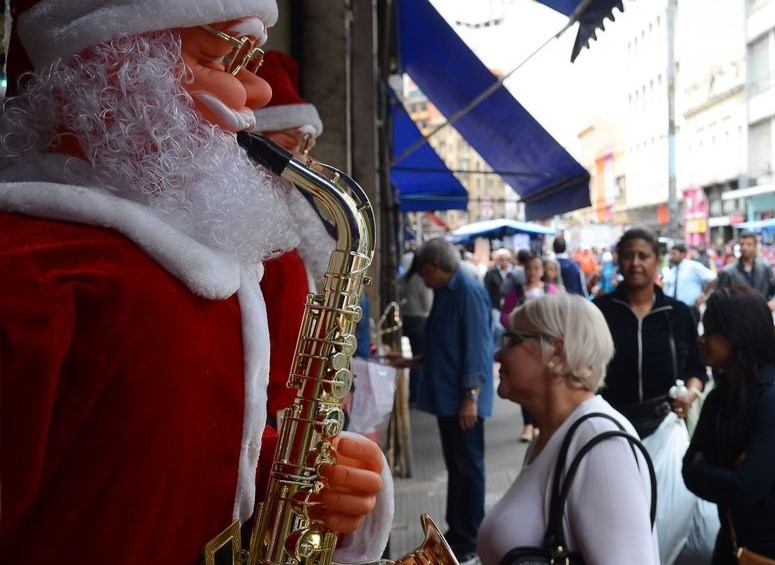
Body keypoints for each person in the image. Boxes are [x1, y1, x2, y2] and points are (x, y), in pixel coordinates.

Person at [0, 2, 389, 563]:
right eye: (224, 58)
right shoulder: (27, 273)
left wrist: (304, 478)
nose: (255, 95)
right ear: (113, 69)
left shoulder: (198, 267)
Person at [477, 293, 659, 564]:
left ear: (557, 352)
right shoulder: (555, 435)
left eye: (513, 340)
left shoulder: (600, 443)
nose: (499, 353)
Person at [683, 286, 775, 564]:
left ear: (738, 335)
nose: (702, 340)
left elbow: (745, 489)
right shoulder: (721, 395)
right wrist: (726, 470)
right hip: (733, 541)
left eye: (711, 331)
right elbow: (687, 471)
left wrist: (706, 466)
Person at [386, 237, 494, 564]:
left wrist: (470, 397)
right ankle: (458, 532)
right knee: (458, 466)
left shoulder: (467, 292)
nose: (423, 280)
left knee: (468, 467)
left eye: (424, 273)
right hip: (450, 397)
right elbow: (444, 344)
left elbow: (477, 348)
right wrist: (412, 362)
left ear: (435, 267)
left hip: (462, 400)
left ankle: (470, 537)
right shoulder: (446, 293)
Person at [592, 228, 707, 438]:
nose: (635, 263)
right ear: (619, 260)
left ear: (657, 262)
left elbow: (696, 369)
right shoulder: (599, 312)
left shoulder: (678, 314)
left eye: (643, 256)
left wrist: (689, 396)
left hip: (666, 426)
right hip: (610, 427)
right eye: (628, 256)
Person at [501, 255, 558, 442]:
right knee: (525, 382)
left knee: (544, 383)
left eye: (536, 268)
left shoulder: (551, 291)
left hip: (546, 347)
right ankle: (527, 424)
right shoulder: (516, 292)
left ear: (542, 271)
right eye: (528, 269)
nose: (532, 272)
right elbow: (505, 316)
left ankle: (540, 423)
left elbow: (559, 316)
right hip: (523, 346)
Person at [397, 252, 433, 404]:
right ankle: (417, 395)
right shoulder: (422, 280)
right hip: (421, 319)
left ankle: (414, 394)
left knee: (415, 357)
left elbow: (398, 294)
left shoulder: (406, 278)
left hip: (408, 318)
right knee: (419, 359)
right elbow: (428, 304)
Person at [717, 232, 775, 308]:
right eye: (742, 244)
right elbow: (719, 297)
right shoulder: (728, 272)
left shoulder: (765, 268)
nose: (745, 247)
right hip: (738, 316)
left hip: (762, 314)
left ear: (755, 247)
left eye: (749, 244)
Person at [661, 242, 717, 321]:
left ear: (683, 254)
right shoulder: (672, 271)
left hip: (690, 310)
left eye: (674, 254)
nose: (672, 256)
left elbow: (713, 278)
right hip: (673, 310)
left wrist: (702, 296)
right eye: (671, 254)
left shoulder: (693, 266)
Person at [483, 248, 513, 352]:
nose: (504, 262)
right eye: (502, 259)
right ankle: (497, 350)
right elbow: (486, 291)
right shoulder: (491, 273)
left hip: (510, 307)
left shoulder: (513, 274)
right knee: (498, 328)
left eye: (507, 259)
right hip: (495, 305)